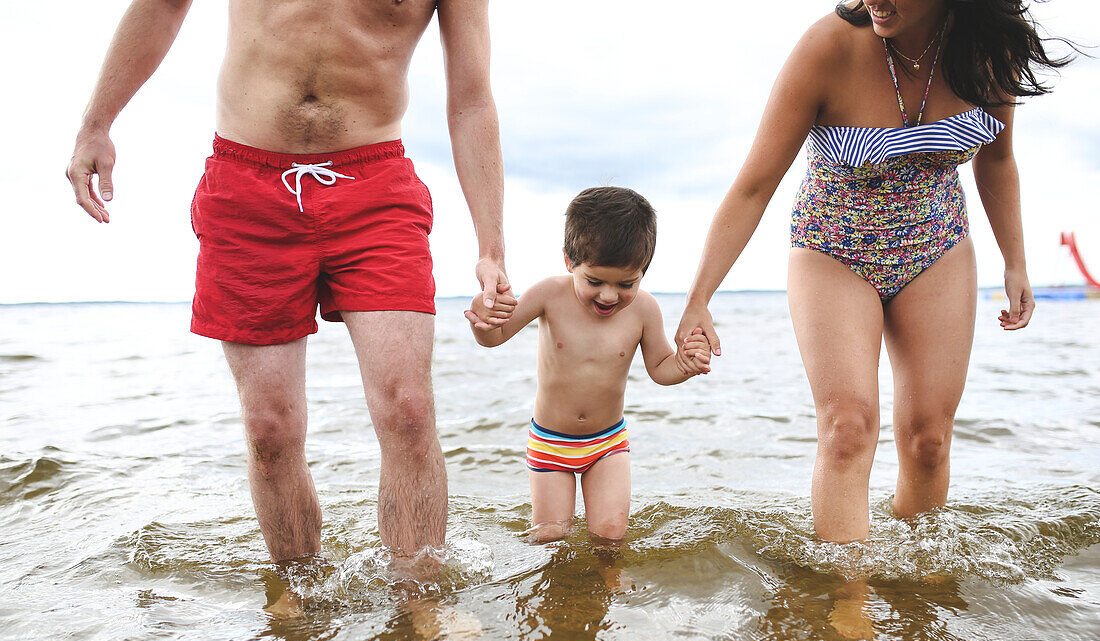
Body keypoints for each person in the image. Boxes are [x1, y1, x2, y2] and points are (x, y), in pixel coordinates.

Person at [66, 0, 511, 563]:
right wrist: (96, 124)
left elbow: (470, 100)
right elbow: (162, 7)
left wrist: (491, 247)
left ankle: (418, 599)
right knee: (269, 429)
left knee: (409, 409)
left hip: (374, 184)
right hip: (247, 184)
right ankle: (296, 605)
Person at [675, 0, 1070, 542]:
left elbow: (996, 160)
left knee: (928, 440)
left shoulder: (987, 51)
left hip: (936, 246)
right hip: (831, 246)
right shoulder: (827, 47)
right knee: (847, 429)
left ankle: (919, 606)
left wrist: (1015, 260)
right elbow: (753, 185)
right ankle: (846, 611)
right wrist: (700, 296)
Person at [466, 187, 711, 542]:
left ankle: (608, 589)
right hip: (551, 442)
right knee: (550, 536)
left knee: (611, 534)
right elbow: (495, 337)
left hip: (608, 443)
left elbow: (660, 367)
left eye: (627, 283)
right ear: (570, 262)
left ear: (643, 270)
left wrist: (685, 364)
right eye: (594, 281)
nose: (609, 295)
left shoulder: (644, 309)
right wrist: (483, 315)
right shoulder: (549, 294)